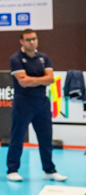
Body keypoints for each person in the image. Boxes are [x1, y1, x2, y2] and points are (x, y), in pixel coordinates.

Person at [6, 29, 67, 182]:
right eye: (28, 40)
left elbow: (50, 79)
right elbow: (23, 82)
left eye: (34, 39)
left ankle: (49, 170)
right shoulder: (16, 59)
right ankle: (12, 170)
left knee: (46, 138)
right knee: (18, 136)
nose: (32, 42)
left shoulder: (44, 58)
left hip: (42, 102)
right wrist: (41, 79)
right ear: (22, 42)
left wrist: (32, 80)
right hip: (23, 102)